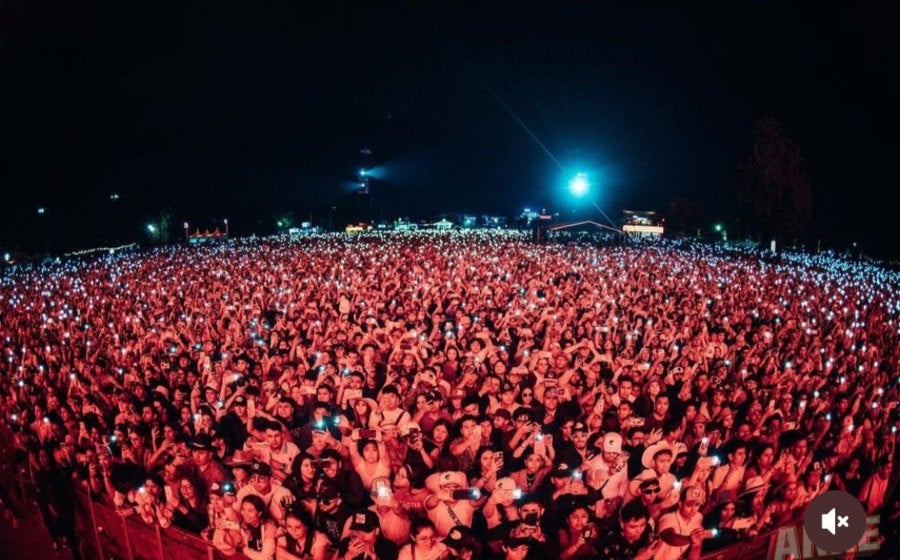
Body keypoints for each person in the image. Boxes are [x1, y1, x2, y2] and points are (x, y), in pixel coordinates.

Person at [656, 485, 710, 560]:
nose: (693, 509)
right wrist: (689, 539)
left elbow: (696, 546)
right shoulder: (667, 518)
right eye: (689, 505)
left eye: (697, 505)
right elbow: (671, 538)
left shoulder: (698, 517)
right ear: (680, 504)